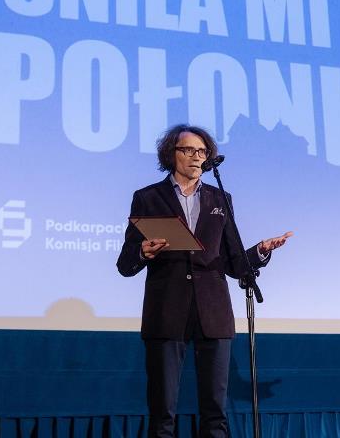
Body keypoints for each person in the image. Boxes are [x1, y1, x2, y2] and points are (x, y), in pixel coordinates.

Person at [117, 124, 291, 438]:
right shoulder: (147, 197)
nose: (197, 156)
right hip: (166, 312)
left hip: (213, 312)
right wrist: (142, 251)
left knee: (215, 415)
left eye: (202, 151)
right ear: (171, 154)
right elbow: (125, 264)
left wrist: (261, 251)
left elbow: (233, 262)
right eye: (189, 150)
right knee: (162, 413)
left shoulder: (220, 198)